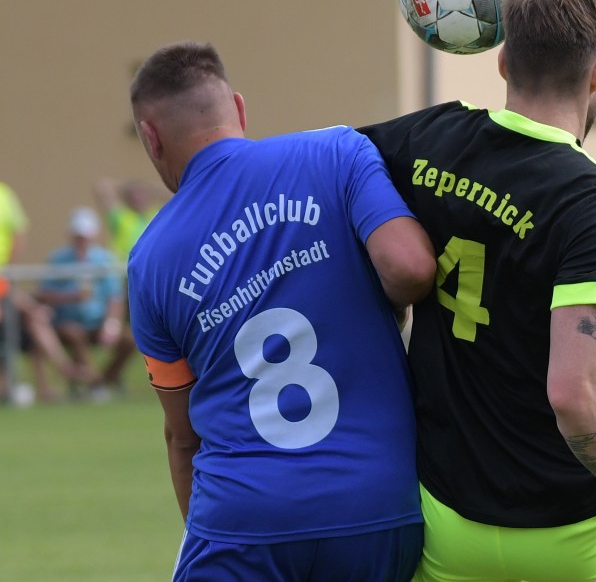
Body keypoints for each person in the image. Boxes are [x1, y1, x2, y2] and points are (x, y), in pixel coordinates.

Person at [361, 0, 596, 582]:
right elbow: (575, 392)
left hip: (447, 520)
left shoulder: (428, 139)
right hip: (575, 525)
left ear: (502, 62)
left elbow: (331, 158)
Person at [127, 41, 436, 581]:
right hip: (377, 509)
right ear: (238, 109)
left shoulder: (148, 259)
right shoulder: (338, 153)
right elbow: (411, 269)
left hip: (244, 521)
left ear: (150, 138)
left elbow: (183, 435)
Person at [0, 181, 90, 403]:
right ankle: (64, 369)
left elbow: (18, 233)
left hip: (4, 279)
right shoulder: (59, 258)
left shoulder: (5, 194)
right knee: (34, 314)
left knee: (36, 318)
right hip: (5, 284)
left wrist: (9, 270)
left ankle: (59, 374)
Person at [35, 206, 126, 402]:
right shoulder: (58, 259)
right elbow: (44, 293)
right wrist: (70, 297)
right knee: (74, 332)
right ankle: (93, 382)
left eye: (85, 236)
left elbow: (115, 297)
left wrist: (111, 324)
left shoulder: (104, 259)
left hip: (97, 321)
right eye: (78, 236)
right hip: (67, 322)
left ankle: (102, 381)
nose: (81, 240)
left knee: (129, 340)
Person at [93, 177, 166, 391]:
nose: (138, 199)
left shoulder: (155, 216)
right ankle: (106, 379)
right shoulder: (122, 217)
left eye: (141, 195)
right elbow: (102, 187)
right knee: (126, 335)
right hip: (123, 284)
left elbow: (178, 194)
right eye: (134, 196)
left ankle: (111, 379)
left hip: (151, 283)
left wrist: (151, 190)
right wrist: (126, 187)